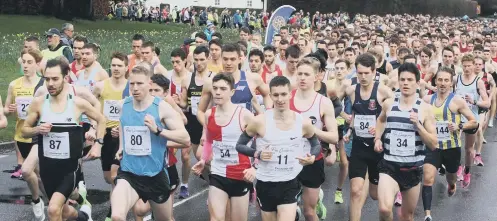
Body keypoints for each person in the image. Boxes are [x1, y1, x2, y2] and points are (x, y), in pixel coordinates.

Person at [21, 59, 106, 221]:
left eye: (55, 79)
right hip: (47, 169)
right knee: (64, 211)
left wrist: (98, 145)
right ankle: (83, 216)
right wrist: (38, 129)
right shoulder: (38, 103)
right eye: (47, 79)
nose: (50, 84)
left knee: (53, 210)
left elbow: (101, 119)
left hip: (69, 169)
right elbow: (24, 131)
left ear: (65, 77)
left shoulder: (77, 103)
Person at [110, 66, 190, 221]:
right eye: (131, 84)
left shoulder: (161, 107)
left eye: (139, 83)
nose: (134, 88)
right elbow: (123, 123)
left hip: (155, 175)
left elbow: (185, 138)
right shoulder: (123, 105)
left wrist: (158, 130)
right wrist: (121, 145)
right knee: (117, 216)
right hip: (129, 173)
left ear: (149, 84)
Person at [236, 76, 320, 221]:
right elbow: (239, 145)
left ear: (290, 94)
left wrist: (312, 157)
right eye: (275, 95)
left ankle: (293, 211)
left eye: (283, 94)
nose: (280, 99)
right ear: (270, 96)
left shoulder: (302, 122)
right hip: (265, 183)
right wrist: (257, 153)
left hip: (289, 181)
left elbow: (316, 144)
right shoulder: (260, 121)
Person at [374, 63, 438, 221]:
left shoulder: (425, 109)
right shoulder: (389, 104)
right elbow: (381, 120)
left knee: (407, 216)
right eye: (402, 79)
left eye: (410, 80)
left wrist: (418, 126)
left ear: (417, 83)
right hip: (389, 166)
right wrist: (377, 138)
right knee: (384, 208)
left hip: (412, 168)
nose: (405, 83)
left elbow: (433, 144)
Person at [191, 73, 255, 221]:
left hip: (240, 174)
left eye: (223, 88)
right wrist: (203, 159)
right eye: (215, 88)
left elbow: (263, 142)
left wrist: (255, 168)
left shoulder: (244, 115)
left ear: (232, 92)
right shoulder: (209, 114)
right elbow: (208, 141)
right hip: (218, 173)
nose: (218, 92)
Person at [421, 67, 478, 221]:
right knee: (427, 178)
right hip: (433, 147)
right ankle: (427, 215)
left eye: (446, 80)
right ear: (435, 81)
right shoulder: (427, 100)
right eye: (440, 80)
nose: (443, 83)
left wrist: (460, 126)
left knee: (451, 178)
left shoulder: (457, 101)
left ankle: (452, 185)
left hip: (452, 148)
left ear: (451, 82)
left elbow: (473, 122)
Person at [343, 53, 393, 221]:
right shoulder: (351, 90)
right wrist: (350, 130)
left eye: (366, 73)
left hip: (377, 148)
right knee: (356, 190)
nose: (363, 77)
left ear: (374, 72)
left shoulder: (383, 91)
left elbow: (394, 114)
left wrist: (380, 129)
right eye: (359, 73)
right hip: (358, 145)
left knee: (374, 194)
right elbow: (355, 115)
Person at [290, 57, 338, 221]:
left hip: (312, 160)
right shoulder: (286, 99)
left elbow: (334, 135)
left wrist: (313, 130)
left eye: (307, 74)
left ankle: (316, 198)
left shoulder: (323, 103)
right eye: (300, 74)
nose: (302, 78)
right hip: (288, 159)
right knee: (287, 210)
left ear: (317, 77)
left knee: (309, 212)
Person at [3, 49, 45, 220]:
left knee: (37, 172)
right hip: (22, 136)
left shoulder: (43, 85)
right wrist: (9, 109)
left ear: (37, 64)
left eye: (29, 62)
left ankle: (47, 200)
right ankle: (41, 199)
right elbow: (5, 109)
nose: (26, 66)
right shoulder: (14, 84)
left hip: (40, 135)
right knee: (33, 173)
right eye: (23, 62)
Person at [91, 52, 129, 221]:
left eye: (119, 65)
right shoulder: (100, 86)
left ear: (126, 68)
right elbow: (92, 109)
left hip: (123, 137)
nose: (116, 68)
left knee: (115, 175)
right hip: (105, 135)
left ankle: (114, 212)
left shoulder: (130, 87)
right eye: (113, 65)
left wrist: (122, 129)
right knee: (108, 177)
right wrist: (93, 127)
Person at [197, 43, 272, 126]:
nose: (228, 63)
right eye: (225, 59)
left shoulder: (252, 78)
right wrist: (208, 128)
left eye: (232, 59)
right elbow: (200, 111)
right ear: (221, 59)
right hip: (221, 133)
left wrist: (267, 112)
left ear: (239, 59)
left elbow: (267, 95)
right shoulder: (210, 82)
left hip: (245, 133)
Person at [453, 54, 490, 187]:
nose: (467, 68)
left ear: (474, 66)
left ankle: (467, 171)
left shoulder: (478, 82)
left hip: (471, 119)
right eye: (465, 65)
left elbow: (487, 103)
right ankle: (458, 168)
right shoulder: (456, 79)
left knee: (469, 149)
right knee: (454, 146)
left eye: (470, 65)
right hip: (457, 118)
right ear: (461, 66)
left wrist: (474, 101)